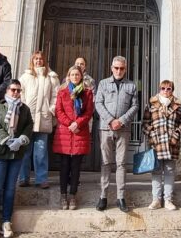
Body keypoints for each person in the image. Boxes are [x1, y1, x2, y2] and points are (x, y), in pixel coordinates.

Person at [0, 79, 33, 238]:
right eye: (13, 90)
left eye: (18, 90)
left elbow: (29, 125)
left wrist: (21, 140)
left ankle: (6, 221)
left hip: (16, 154)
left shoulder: (24, 109)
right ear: (6, 90)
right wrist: (6, 140)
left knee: (10, 189)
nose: (16, 93)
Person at [94, 56, 138, 212]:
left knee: (121, 164)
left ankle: (121, 197)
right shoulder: (103, 83)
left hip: (123, 129)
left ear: (125, 69)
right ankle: (103, 196)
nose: (119, 71)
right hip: (106, 128)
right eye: (116, 68)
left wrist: (122, 120)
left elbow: (135, 106)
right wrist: (111, 120)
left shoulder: (131, 85)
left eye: (122, 68)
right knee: (106, 162)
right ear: (111, 68)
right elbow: (98, 103)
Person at [53, 65, 94, 210]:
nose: (75, 77)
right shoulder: (62, 92)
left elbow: (89, 112)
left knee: (76, 167)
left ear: (81, 76)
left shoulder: (87, 93)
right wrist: (70, 123)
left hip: (79, 132)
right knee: (64, 166)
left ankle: (73, 195)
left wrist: (78, 123)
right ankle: (63, 195)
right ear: (68, 76)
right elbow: (59, 110)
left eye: (77, 74)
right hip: (65, 132)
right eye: (72, 74)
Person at [142, 80, 181, 211]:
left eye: (169, 89)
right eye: (163, 88)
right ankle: (156, 199)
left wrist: (177, 134)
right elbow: (145, 124)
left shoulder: (178, 105)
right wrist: (152, 134)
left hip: (172, 144)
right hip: (157, 144)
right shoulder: (151, 104)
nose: (166, 91)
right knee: (156, 171)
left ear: (172, 90)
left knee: (169, 172)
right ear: (159, 89)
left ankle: (168, 200)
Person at [18, 51, 59, 188]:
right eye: (35, 59)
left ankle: (41, 179)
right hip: (27, 119)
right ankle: (23, 178)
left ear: (44, 61)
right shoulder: (25, 77)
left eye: (41, 59)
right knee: (25, 149)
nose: (38, 61)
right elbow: (20, 93)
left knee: (40, 151)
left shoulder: (51, 77)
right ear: (32, 61)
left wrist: (51, 109)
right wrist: (23, 109)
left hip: (43, 118)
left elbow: (56, 96)